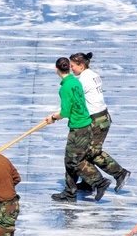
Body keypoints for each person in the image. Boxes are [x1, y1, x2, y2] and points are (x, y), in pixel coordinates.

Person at [47, 57, 110, 202]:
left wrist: (53, 118)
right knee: (70, 160)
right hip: (86, 124)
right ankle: (70, 192)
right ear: (68, 68)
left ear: (57, 69)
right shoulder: (76, 81)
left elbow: (66, 112)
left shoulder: (65, 87)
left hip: (78, 127)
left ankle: (100, 182)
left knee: (75, 161)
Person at [70, 52, 130, 192]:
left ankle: (120, 173)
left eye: (73, 66)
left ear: (81, 65)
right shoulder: (93, 74)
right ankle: (88, 182)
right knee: (87, 150)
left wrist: (57, 115)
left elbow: (74, 100)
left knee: (91, 152)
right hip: (101, 117)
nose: (71, 69)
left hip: (97, 120)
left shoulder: (83, 80)